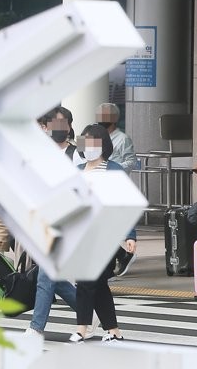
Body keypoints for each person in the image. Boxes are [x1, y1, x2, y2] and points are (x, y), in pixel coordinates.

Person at [69, 124, 138, 344]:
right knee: (97, 284)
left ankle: (82, 328)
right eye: (85, 142)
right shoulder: (78, 172)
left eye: (94, 142)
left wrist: (130, 235)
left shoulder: (114, 170)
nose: (89, 147)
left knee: (87, 281)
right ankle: (114, 330)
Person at [27, 107, 82, 336]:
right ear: (46, 127)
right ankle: (89, 310)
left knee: (45, 274)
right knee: (53, 277)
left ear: (69, 126)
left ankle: (36, 328)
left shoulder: (77, 155)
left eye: (63, 124)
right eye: (54, 124)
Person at [96, 103, 138, 171]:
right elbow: (81, 155)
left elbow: (132, 162)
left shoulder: (123, 138)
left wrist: (113, 168)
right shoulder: (93, 135)